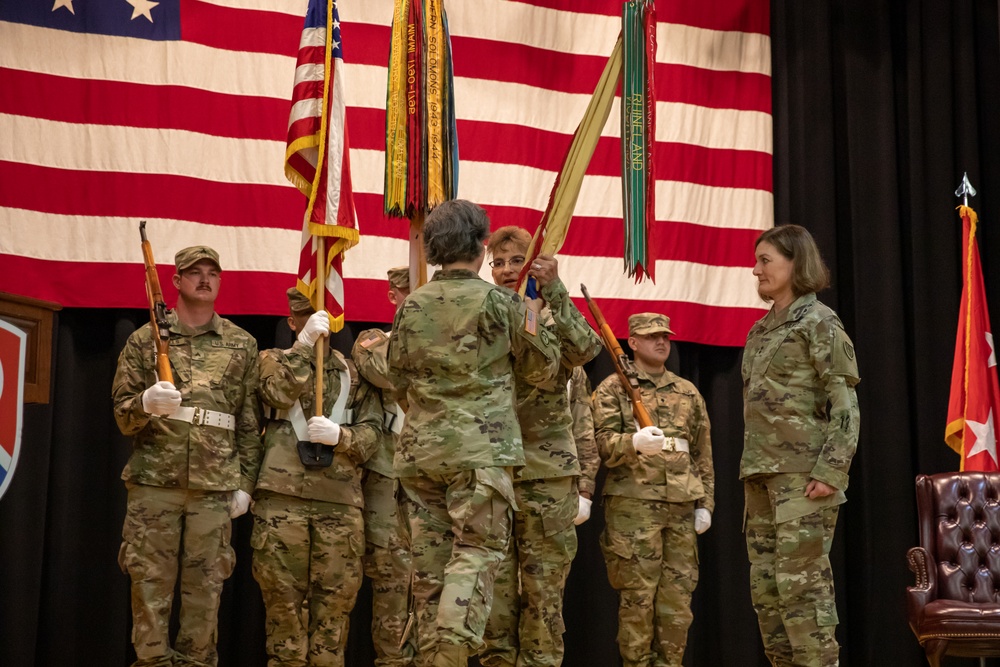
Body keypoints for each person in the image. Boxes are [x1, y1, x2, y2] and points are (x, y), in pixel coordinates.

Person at [387, 199, 562, 667]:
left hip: (420, 457)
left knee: (428, 573)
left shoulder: (412, 305)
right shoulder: (501, 303)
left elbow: (397, 380)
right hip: (479, 455)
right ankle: (450, 655)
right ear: (482, 247)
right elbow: (544, 370)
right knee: (475, 556)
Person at [112, 245, 261, 667]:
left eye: (212, 272)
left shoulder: (242, 344)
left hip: (214, 491)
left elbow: (249, 424)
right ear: (175, 282)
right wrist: (143, 403)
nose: (204, 279)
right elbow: (122, 417)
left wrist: (246, 487)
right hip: (154, 487)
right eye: (194, 272)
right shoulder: (144, 341)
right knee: (149, 593)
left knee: (205, 597)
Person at [480, 226, 602, 667]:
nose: (509, 269)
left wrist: (554, 291)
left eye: (518, 260)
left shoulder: (551, 318)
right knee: (492, 595)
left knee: (542, 597)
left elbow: (587, 348)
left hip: (545, 475)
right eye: (499, 262)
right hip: (492, 471)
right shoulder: (484, 317)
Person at [742, 224, 860, 667]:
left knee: (802, 594)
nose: (756, 270)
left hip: (802, 480)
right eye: (757, 261)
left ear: (796, 264)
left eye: (765, 260)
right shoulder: (759, 331)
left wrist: (830, 472)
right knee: (768, 597)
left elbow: (846, 407)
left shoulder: (820, 322)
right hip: (760, 477)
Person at [252, 288, 383, 666]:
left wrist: (342, 437)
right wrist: (304, 345)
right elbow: (275, 393)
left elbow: (373, 431)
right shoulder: (272, 359)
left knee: (333, 614)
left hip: (339, 503)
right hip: (282, 499)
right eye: (305, 317)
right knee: (283, 609)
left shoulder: (355, 372)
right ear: (292, 322)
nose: (315, 321)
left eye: (320, 315)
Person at [593, 313, 715, 667]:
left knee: (678, 607)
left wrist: (704, 502)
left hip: (680, 508)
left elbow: (701, 452)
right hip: (634, 509)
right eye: (651, 336)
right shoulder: (613, 388)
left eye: (665, 336)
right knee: (637, 603)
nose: (662, 342)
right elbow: (600, 444)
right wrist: (633, 442)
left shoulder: (687, 391)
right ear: (632, 342)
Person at [351, 267, 417, 666]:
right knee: (392, 580)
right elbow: (387, 372)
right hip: (389, 481)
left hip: (439, 478)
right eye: (412, 291)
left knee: (437, 583)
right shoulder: (374, 342)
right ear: (394, 296)